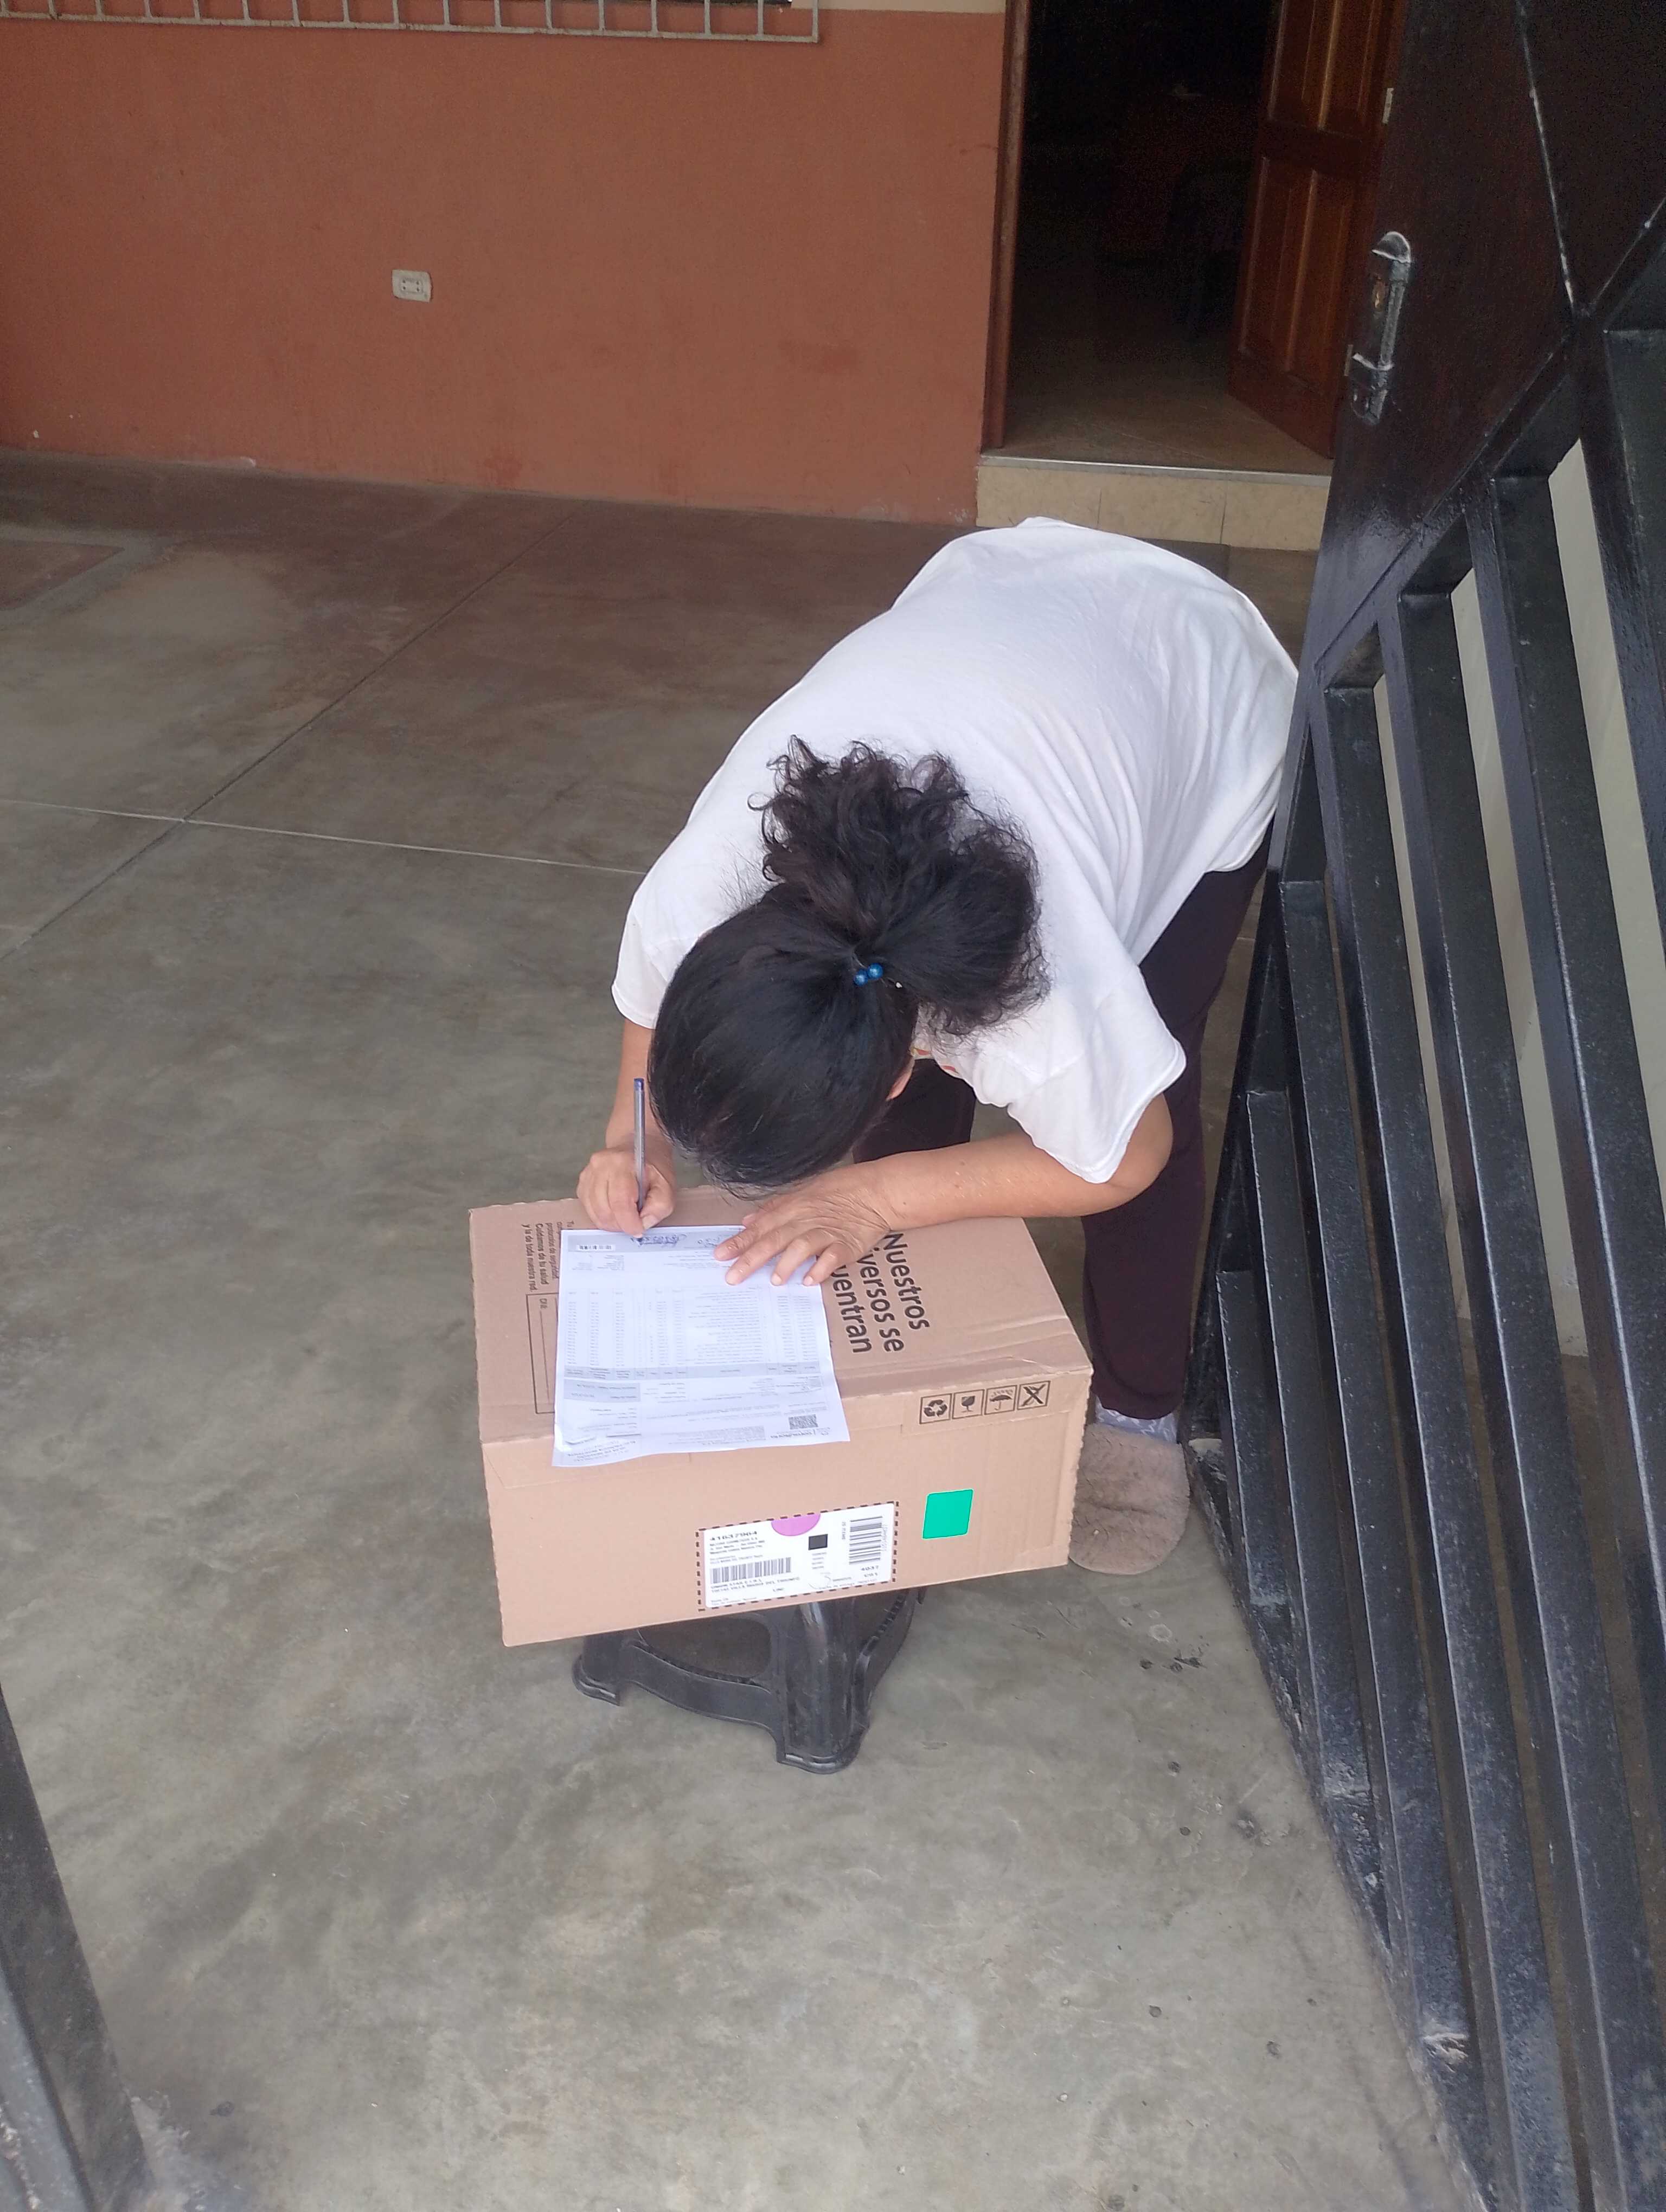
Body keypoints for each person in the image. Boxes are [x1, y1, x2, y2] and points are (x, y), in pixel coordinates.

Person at [577, 519, 1293, 1573]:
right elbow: (650, 1001)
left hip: (1197, 686)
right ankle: (927, 1321)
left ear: (905, 1063)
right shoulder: (700, 894)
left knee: (1155, 1087)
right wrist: (625, 1140)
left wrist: (874, 1196)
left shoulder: (1050, 997)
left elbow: (1127, 1153)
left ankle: (1142, 1411)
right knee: (909, 1136)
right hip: (1002, 605)